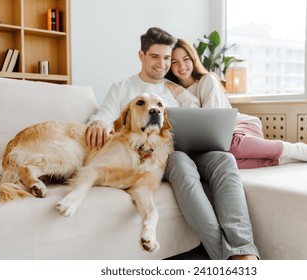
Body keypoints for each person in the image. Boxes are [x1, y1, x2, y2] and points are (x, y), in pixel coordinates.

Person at [86, 27, 259, 260]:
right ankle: (231, 260)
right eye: (155, 57)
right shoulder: (124, 88)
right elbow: (104, 114)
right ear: (141, 56)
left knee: (225, 160)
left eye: (167, 58)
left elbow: (199, 118)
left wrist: (184, 95)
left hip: (193, 147)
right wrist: (97, 122)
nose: (163, 64)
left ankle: (243, 249)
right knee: (180, 161)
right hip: (165, 156)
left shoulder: (174, 87)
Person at [165, 38, 307, 168]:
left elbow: (211, 127)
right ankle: (282, 159)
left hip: (240, 128)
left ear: (193, 59)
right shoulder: (171, 91)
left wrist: (186, 97)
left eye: (186, 59)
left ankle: (295, 150)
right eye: (174, 61)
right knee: (224, 162)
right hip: (221, 140)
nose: (181, 65)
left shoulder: (206, 81)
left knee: (231, 148)